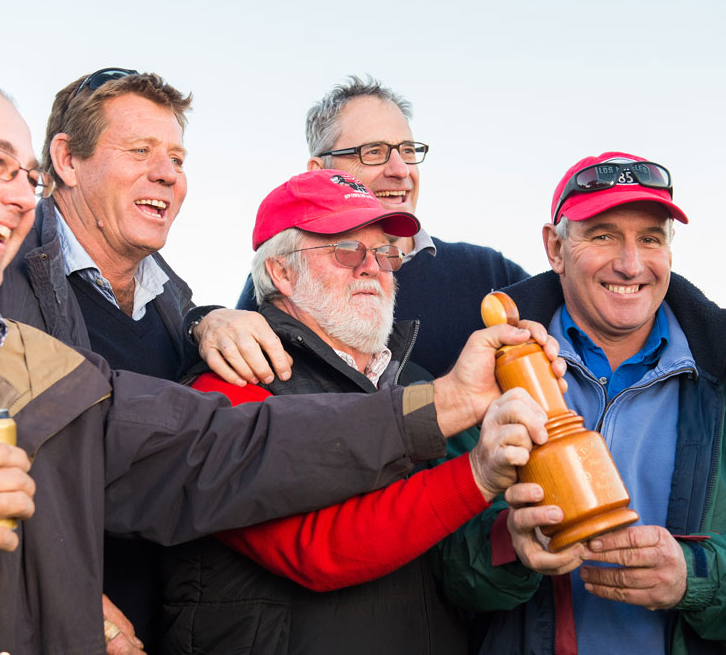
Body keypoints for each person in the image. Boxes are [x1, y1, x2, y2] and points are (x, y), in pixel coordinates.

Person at [0, 73, 537, 655]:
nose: (20, 196)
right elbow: (303, 530)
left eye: (24, 175)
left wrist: (501, 510)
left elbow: (210, 448)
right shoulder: (219, 364)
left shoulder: (53, 357)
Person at [191, 76, 726, 398]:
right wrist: (208, 320)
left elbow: (610, 282)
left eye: (408, 150)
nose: (400, 169)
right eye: (374, 151)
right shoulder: (283, 281)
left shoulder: (485, 276)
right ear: (318, 172)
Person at [162, 169, 562, 654]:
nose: (373, 266)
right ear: (281, 272)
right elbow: (317, 550)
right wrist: (477, 473)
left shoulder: (417, 382)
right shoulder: (230, 383)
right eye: (346, 248)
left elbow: (459, 576)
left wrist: (513, 543)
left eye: (385, 252)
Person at [469, 152, 726, 654]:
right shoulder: (490, 377)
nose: (631, 264)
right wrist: (511, 548)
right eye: (603, 234)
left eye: (651, 238)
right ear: (555, 247)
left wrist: (696, 577)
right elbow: (443, 565)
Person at [0, 67, 196, 651]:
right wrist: (81, 604)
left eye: (177, 159)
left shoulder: (177, 306)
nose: (166, 173)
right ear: (67, 160)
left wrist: (208, 320)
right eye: (140, 150)